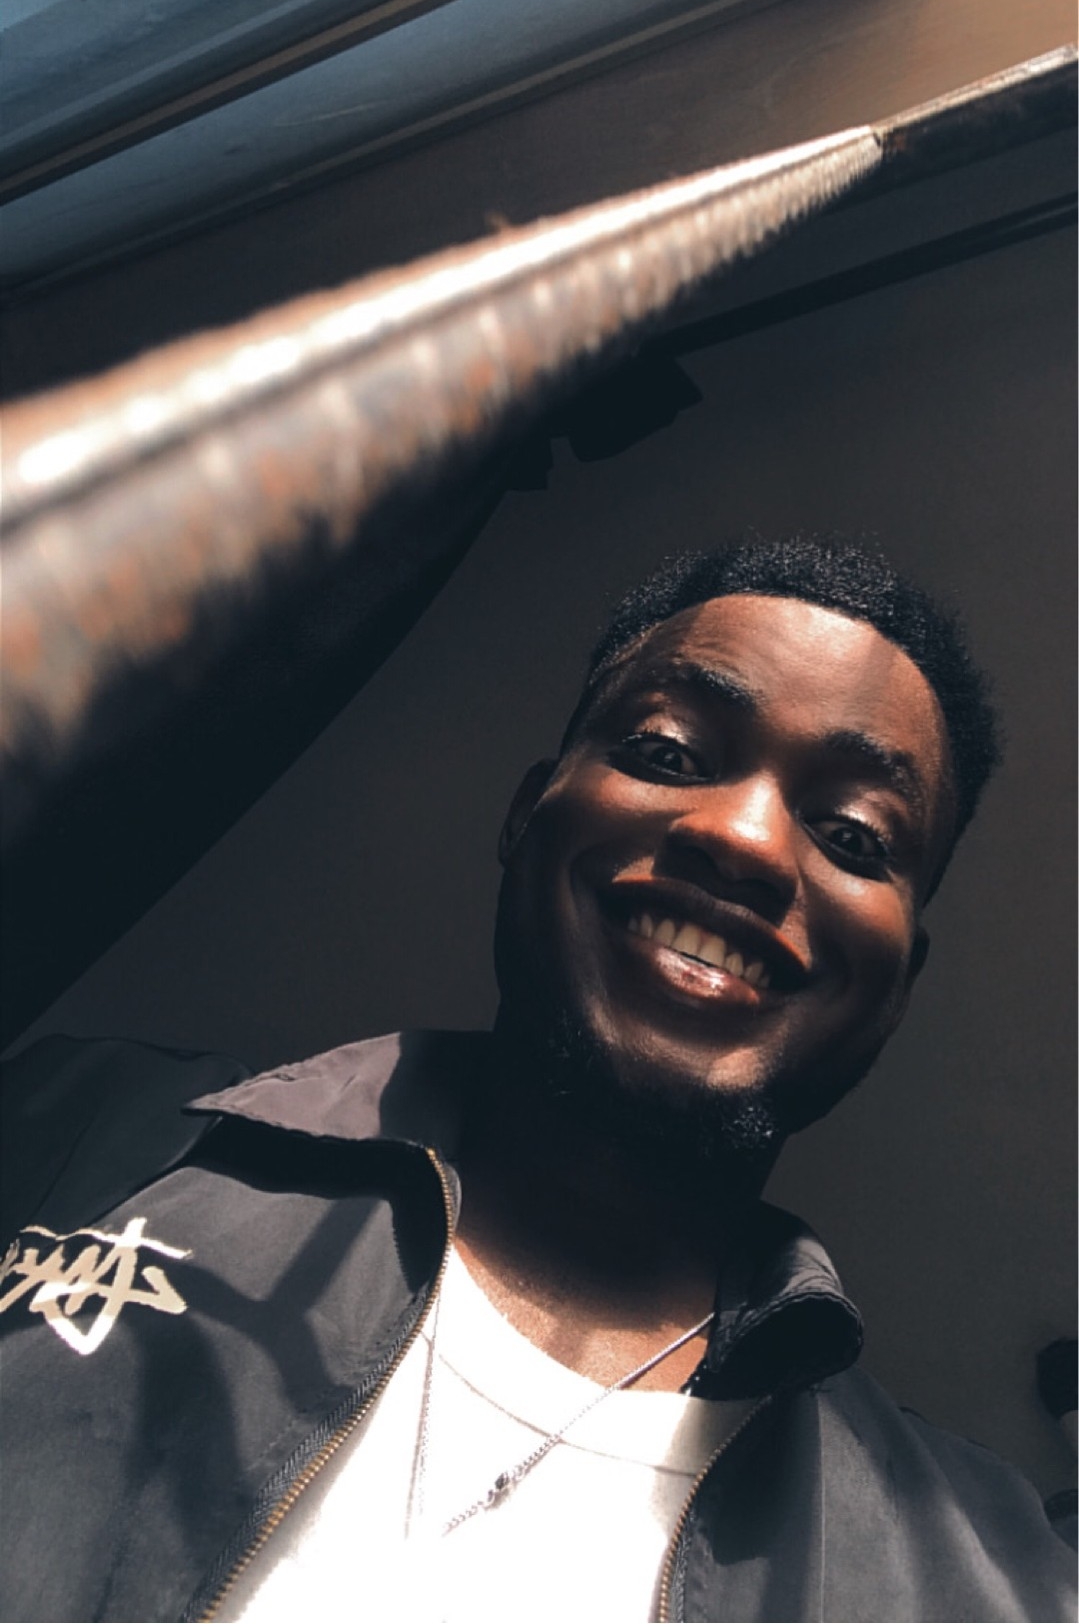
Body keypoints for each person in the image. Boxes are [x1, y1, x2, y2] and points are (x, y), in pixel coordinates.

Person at [1, 535, 1074, 1624]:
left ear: (897, 983)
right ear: (526, 815)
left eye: (852, 833)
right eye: (666, 751)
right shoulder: (76, 1132)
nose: (746, 839)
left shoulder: (992, 1582)